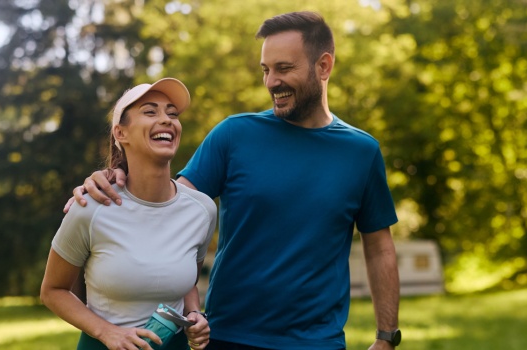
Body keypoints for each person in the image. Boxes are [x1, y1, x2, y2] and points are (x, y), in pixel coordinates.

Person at [68, 12, 401, 350]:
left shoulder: (361, 152)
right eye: (266, 70)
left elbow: (379, 248)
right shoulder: (234, 135)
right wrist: (113, 179)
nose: (271, 82)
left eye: (284, 68)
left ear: (324, 66)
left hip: (318, 342)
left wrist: (386, 337)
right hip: (228, 338)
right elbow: (167, 211)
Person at [43, 78, 216, 350]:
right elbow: (53, 291)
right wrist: (107, 332)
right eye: (150, 112)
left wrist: (195, 313)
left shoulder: (202, 210)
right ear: (121, 133)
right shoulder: (91, 207)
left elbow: (186, 282)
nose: (167, 120)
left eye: (172, 113)